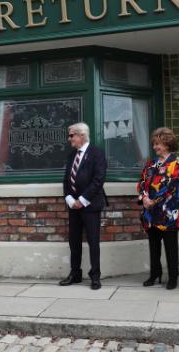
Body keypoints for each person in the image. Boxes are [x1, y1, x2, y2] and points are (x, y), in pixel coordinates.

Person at [59, 122, 107, 290]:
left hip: (90, 205)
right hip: (74, 206)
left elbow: (98, 180)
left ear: (82, 135)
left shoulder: (97, 154)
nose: (69, 139)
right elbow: (66, 180)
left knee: (93, 241)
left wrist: (83, 199)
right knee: (74, 241)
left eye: (71, 135)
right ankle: (75, 274)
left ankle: (95, 276)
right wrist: (70, 199)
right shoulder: (71, 156)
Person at [137, 127, 179, 290]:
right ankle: (155, 274)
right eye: (154, 144)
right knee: (154, 245)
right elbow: (142, 182)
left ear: (168, 144)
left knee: (171, 246)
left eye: (159, 144)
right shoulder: (151, 164)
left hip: (169, 212)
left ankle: (173, 277)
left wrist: (154, 200)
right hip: (151, 212)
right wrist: (144, 197)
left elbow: (172, 186)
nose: (155, 147)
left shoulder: (176, 163)